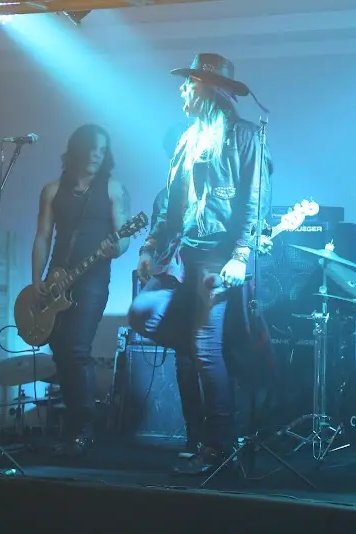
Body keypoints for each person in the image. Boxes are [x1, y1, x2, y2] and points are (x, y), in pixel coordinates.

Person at [128, 53, 274, 475]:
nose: (182, 89)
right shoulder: (188, 140)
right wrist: (151, 246)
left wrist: (241, 255)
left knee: (205, 353)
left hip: (219, 258)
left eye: (189, 83)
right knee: (143, 313)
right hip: (186, 256)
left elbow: (255, 202)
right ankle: (215, 353)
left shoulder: (245, 136)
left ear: (208, 89)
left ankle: (217, 448)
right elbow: (171, 204)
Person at [31, 124, 131, 456]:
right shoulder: (52, 190)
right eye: (91, 148)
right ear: (77, 150)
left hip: (92, 279)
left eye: (102, 150)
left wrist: (115, 249)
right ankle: (73, 427)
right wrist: (36, 280)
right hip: (56, 279)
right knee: (59, 349)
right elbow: (43, 236)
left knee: (76, 347)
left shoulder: (113, 189)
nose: (96, 155)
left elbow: (125, 236)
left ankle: (85, 429)